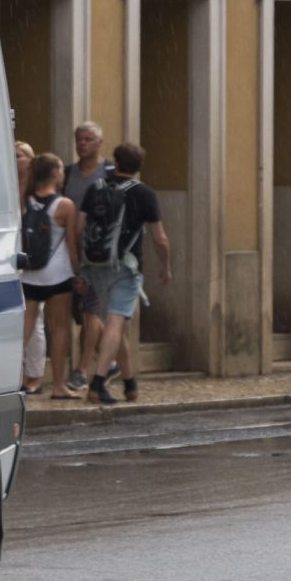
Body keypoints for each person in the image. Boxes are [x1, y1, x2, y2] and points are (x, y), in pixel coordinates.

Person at [83, 142, 171, 404]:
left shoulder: (95, 188)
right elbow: (160, 238)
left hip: (96, 266)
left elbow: (78, 227)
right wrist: (165, 266)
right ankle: (98, 382)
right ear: (139, 167)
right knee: (115, 324)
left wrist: (80, 265)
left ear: (115, 162)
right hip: (126, 268)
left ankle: (130, 383)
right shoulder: (143, 194)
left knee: (115, 325)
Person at [18, 153, 79, 399]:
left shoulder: (25, 200)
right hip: (58, 275)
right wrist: (78, 272)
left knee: (23, 329)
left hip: (29, 275)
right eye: (61, 169)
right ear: (54, 174)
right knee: (59, 329)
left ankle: (9, 379)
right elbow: (72, 244)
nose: (63, 173)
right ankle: (58, 385)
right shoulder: (64, 206)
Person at [61, 121, 115, 389]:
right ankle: (112, 357)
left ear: (99, 143)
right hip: (70, 252)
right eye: (79, 139)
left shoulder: (110, 174)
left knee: (89, 312)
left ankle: (82, 370)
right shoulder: (68, 174)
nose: (83, 143)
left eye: (89, 139)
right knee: (82, 314)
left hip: (99, 255)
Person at [13, 141, 47, 388]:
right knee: (20, 314)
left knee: (35, 315)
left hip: (32, 255)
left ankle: (34, 373)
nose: (14, 160)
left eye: (19, 156)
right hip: (11, 253)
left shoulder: (37, 190)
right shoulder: (2, 184)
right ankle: (17, 369)